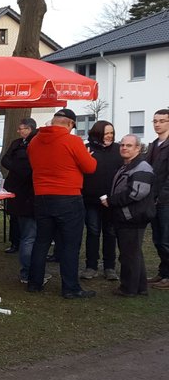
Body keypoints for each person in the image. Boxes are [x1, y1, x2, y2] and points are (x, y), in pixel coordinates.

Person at [27, 109, 97, 299]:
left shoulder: (34, 141)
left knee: (41, 241)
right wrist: (88, 155)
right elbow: (90, 167)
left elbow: (35, 165)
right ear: (70, 124)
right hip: (68, 197)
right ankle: (70, 287)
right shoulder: (72, 141)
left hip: (41, 196)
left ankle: (34, 283)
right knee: (69, 244)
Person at [2, 118, 49, 285]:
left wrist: (17, 168)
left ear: (29, 129)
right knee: (29, 235)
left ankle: (31, 271)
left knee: (30, 235)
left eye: (21, 128)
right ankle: (28, 273)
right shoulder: (17, 144)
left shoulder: (36, 144)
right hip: (20, 195)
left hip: (30, 195)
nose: (19, 131)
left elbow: (22, 166)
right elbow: (4, 160)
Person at [107, 134, 155, 297]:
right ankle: (140, 287)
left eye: (129, 145)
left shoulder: (142, 167)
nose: (124, 148)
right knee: (133, 253)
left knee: (129, 255)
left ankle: (128, 288)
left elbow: (136, 193)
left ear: (138, 148)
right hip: (126, 215)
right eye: (122, 145)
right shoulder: (126, 165)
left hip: (133, 216)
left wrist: (111, 201)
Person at [82, 120, 120, 280]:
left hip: (111, 201)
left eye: (111, 132)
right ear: (97, 134)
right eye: (106, 133)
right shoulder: (87, 148)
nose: (109, 136)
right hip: (91, 200)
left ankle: (109, 267)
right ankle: (91, 266)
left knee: (110, 233)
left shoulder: (118, 149)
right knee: (93, 232)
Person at [146, 109, 169, 290]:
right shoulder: (153, 145)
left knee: (166, 239)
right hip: (154, 199)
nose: (157, 124)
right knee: (158, 239)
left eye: (162, 121)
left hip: (165, 201)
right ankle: (163, 273)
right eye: (155, 121)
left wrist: (161, 197)